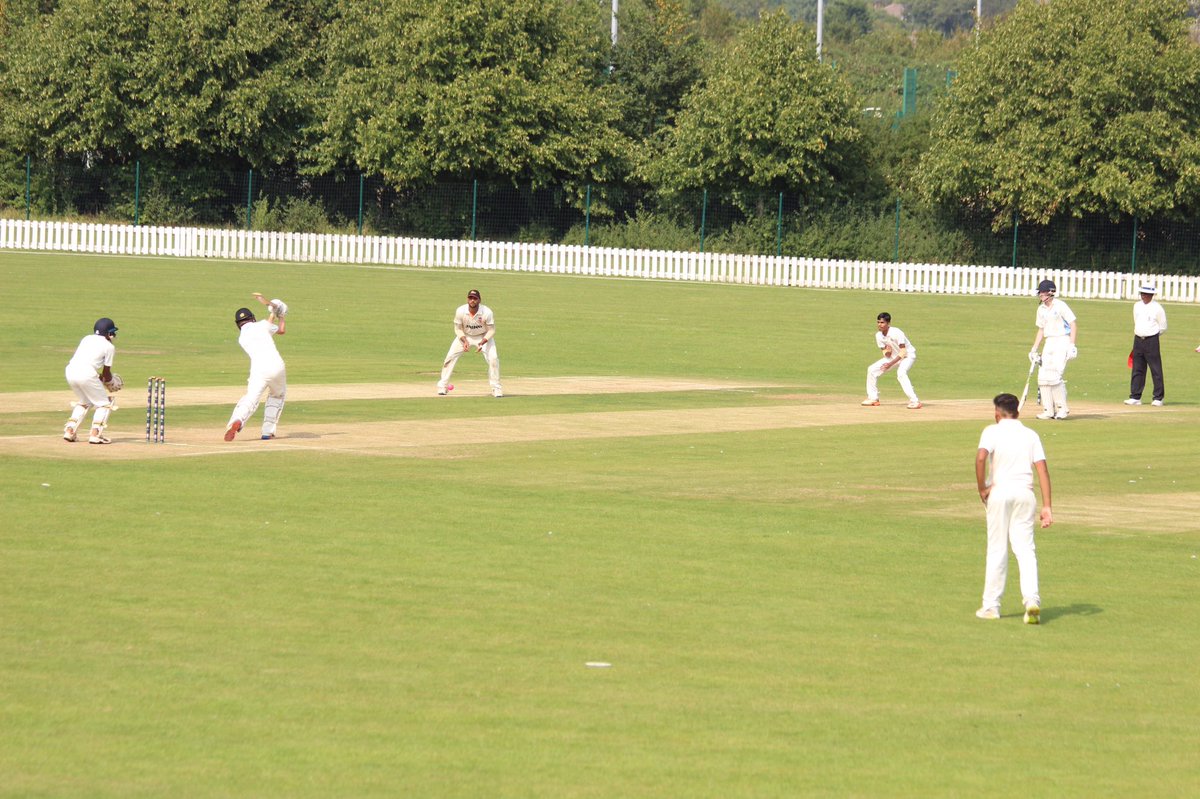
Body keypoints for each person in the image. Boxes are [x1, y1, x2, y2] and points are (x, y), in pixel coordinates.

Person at [974, 392, 1053, 624]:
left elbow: (980, 459)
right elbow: (1042, 470)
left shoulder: (991, 431)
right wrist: (1047, 506)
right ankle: (1032, 601)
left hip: (999, 493)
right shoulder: (1030, 435)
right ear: (1017, 413)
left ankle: (991, 607)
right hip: (1025, 494)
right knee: (1026, 550)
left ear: (997, 414)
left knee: (997, 549)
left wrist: (982, 488)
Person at [225, 293, 287, 441]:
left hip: (258, 370)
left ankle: (237, 420)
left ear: (238, 324)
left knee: (251, 398)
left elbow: (265, 325)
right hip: (276, 366)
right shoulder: (262, 325)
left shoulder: (242, 338)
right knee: (277, 396)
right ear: (252, 318)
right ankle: (267, 431)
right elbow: (281, 330)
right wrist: (281, 315)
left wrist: (273, 312)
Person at [63, 317, 121, 444]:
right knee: (104, 403)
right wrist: (111, 382)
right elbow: (106, 373)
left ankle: (69, 431)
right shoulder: (109, 347)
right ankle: (95, 434)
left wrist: (100, 379)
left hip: (71, 371)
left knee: (85, 401)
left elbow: (88, 363)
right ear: (108, 333)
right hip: (87, 374)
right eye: (112, 332)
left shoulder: (87, 338)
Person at [437, 288, 503, 398]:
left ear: (479, 300)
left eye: (475, 298)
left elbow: (491, 330)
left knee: (493, 359)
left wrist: (483, 342)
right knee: (449, 358)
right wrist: (464, 340)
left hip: (483, 336)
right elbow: (458, 329)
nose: (472, 300)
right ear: (467, 299)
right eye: (470, 298)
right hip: (465, 335)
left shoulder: (487, 312)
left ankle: (496, 388)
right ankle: (442, 386)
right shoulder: (460, 311)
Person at [1029, 279, 1077, 420]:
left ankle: (1062, 409)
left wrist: (1072, 345)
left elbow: (1073, 324)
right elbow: (1041, 329)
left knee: (1055, 376)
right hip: (1049, 342)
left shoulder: (1060, 306)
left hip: (1062, 340)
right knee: (1043, 377)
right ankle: (1048, 410)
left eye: (1043, 293)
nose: (1040, 296)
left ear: (1050, 292)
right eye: (1040, 293)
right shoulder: (1041, 309)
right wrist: (1034, 348)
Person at [861, 312, 921, 409]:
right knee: (872, 370)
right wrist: (887, 353)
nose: (879, 325)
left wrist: (890, 364)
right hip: (893, 357)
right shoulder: (878, 336)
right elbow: (885, 352)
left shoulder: (897, 332)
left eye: (882, 322)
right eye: (878, 322)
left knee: (901, 373)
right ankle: (873, 398)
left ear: (888, 323)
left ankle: (915, 401)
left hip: (908, 356)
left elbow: (903, 352)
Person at [1126, 284, 1167, 407]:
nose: (1143, 296)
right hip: (1138, 339)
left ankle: (1158, 397)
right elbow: (1136, 320)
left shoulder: (1157, 308)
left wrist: (1151, 335)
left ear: (1151, 295)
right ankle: (1135, 396)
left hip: (1152, 340)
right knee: (1137, 368)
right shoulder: (1137, 306)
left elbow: (1163, 327)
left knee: (1155, 369)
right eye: (1141, 294)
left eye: (1145, 294)